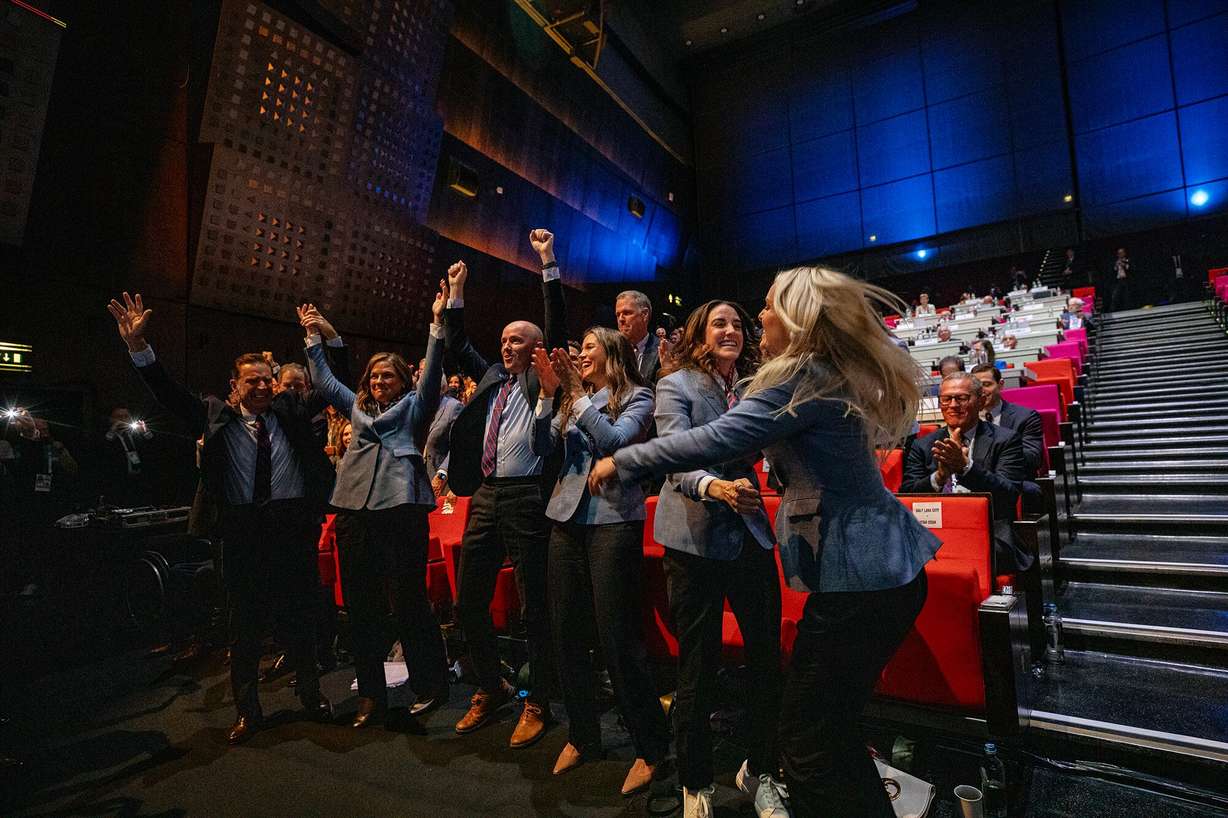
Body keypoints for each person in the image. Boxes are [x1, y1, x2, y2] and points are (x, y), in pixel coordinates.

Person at [590, 267, 939, 818]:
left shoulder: (799, 377)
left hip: (861, 577)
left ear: (797, 317)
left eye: (769, 306)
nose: (758, 318)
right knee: (827, 732)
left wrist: (623, 459)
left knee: (808, 743)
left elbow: (715, 439)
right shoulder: (809, 373)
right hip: (871, 573)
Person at [106, 292, 334, 744]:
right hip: (240, 533)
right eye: (253, 381)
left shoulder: (290, 410)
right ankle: (249, 712)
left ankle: (311, 695)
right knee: (243, 628)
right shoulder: (214, 415)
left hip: (291, 529)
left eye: (267, 380)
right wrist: (138, 347)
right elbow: (168, 394)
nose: (263, 387)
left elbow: (331, 387)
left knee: (300, 619)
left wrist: (320, 340)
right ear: (234, 385)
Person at [630, 299, 785, 816]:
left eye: (738, 324)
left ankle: (760, 768)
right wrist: (715, 486)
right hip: (693, 541)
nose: (732, 330)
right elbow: (675, 456)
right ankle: (695, 783)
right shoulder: (675, 385)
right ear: (699, 335)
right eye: (720, 323)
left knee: (765, 659)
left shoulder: (756, 387)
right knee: (698, 666)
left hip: (749, 533)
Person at [300, 285, 451, 727]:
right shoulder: (357, 409)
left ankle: (430, 685)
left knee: (408, 604)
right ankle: (371, 694)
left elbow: (432, 373)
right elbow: (324, 382)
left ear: (403, 381)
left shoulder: (416, 407)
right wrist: (314, 338)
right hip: (353, 514)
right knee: (361, 607)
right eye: (374, 377)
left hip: (401, 513)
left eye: (388, 377)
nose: (380, 383)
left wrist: (437, 323)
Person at [528, 328, 669, 796]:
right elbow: (541, 448)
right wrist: (547, 398)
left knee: (617, 639)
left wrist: (575, 395)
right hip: (565, 521)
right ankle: (582, 736)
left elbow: (614, 443)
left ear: (614, 354)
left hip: (613, 522)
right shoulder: (572, 398)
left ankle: (651, 747)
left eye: (590, 347)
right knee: (566, 633)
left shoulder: (639, 397)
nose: (581, 353)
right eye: (581, 346)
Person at [441, 230, 567, 748]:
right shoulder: (493, 375)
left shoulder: (542, 372)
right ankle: (491, 687)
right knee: (469, 600)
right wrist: (456, 292)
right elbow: (456, 345)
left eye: (516, 339)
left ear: (535, 348)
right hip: (487, 495)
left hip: (528, 496)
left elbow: (556, 325)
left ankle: (538, 700)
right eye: (504, 340)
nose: (506, 346)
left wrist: (547, 262)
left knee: (535, 604)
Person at [902, 372, 1030, 572]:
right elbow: (908, 494)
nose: (953, 405)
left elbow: (1008, 495)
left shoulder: (1005, 440)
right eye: (946, 399)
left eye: (961, 398)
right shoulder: (923, 445)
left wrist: (966, 468)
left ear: (981, 401)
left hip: (988, 529)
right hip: (935, 529)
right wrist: (939, 477)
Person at [971, 364, 1044, 475]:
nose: (981, 391)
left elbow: (1033, 458)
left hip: (1013, 478)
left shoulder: (1025, 417)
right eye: (977, 386)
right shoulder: (966, 418)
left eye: (987, 384)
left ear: (1000, 385)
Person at [426, 376, 463, 497]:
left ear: (442, 388)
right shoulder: (418, 406)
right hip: (417, 478)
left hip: (440, 480)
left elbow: (458, 446)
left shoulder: (454, 407)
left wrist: (441, 475)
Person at [615, 290, 662, 384]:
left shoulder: (663, 351)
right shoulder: (613, 351)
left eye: (627, 313)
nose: (620, 319)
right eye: (618, 314)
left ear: (644, 314)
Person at [1111, 247, 1130, 312]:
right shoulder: (1117, 261)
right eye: (1119, 253)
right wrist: (1116, 265)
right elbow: (1114, 270)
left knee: (1127, 295)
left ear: (1124, 253)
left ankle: (1128, 309)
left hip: (1126, 280)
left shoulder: (1127, 260)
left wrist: (1123, 264)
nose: (1120, 254)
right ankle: (1114, 310)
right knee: (1116, 295)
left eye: (1121, 252)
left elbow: (1129, 268)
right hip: (1119, 280)